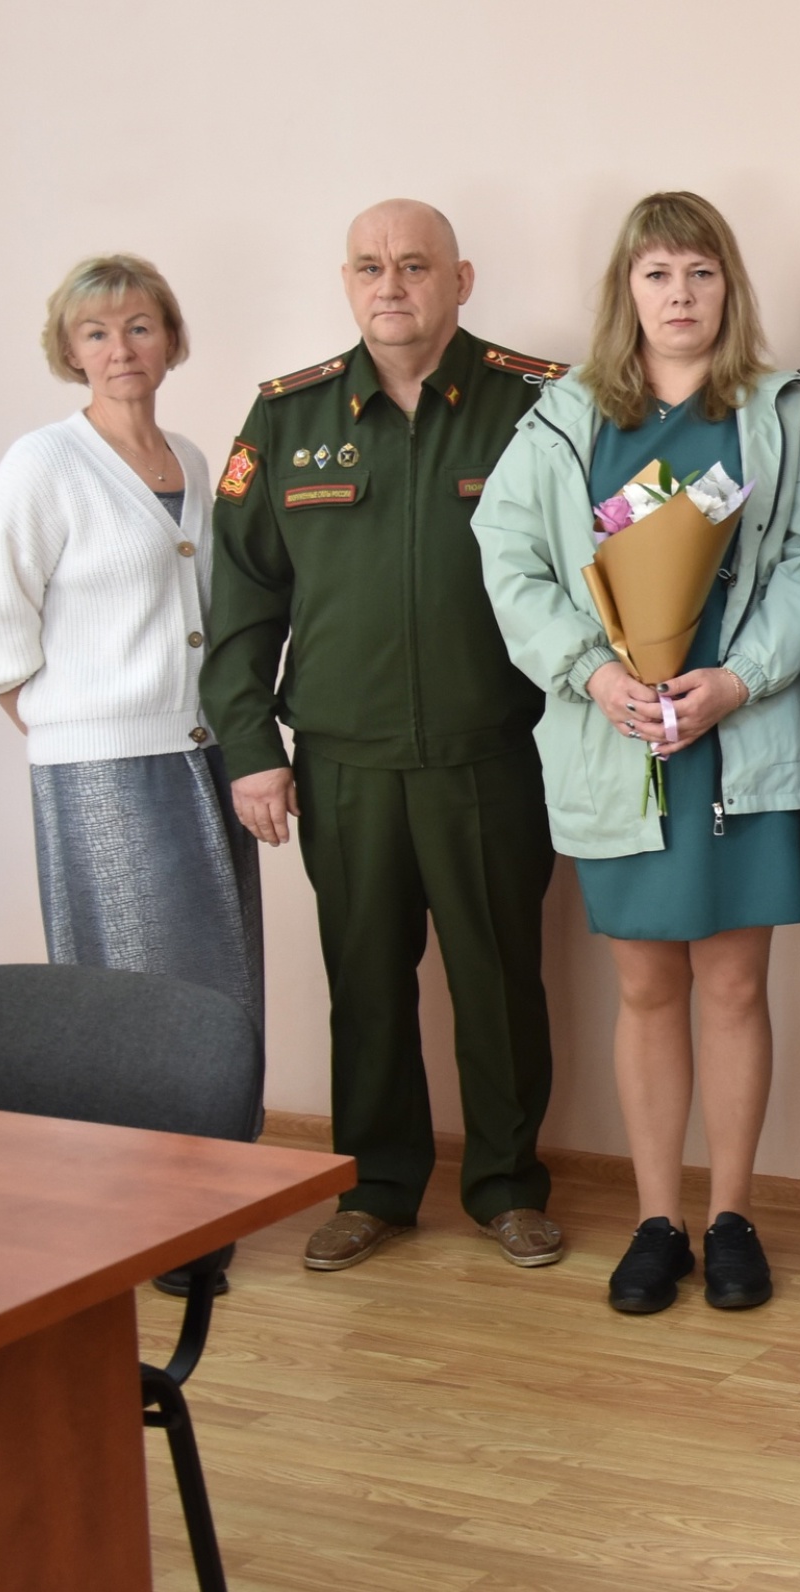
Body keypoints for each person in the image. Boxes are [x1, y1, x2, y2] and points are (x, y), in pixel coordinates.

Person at [474, 191, 800, 1316]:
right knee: (645, 986)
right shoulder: (563, 419)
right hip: (618, 738)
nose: (680, 295)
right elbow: (511, 562)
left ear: (730, 287)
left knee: (733, 983)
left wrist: (739, 679)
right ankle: (656, 1221)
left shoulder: (780, 411)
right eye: (658, 273)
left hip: (741, 738)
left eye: (701, 272)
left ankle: (731, 1219)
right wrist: (594, 675)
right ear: (626, 289)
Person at [202, 199, 565, 1275]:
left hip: (491, 749)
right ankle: (376, 1187)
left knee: (500, 981)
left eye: (413, 265)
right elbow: (242, 598)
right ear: (346, 283)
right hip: (343, 758)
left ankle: (507, 1187)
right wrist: (250, 746)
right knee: (363, 983)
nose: (390, 285)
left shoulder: (537, 404)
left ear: (461, 279)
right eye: (369, 267)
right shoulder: (287, 416)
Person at [0, 255, 263, 1297]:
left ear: (169, 340)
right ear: (69, 350)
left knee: (216, 990)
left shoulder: (192, 457)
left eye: (138, 327)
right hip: (104, 770)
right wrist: (59, 728)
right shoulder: (43, 464)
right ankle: (138, 1220)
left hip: (201, 755)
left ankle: (203, 1209)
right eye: (96, 333)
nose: (120, 349)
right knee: (136, 1001)